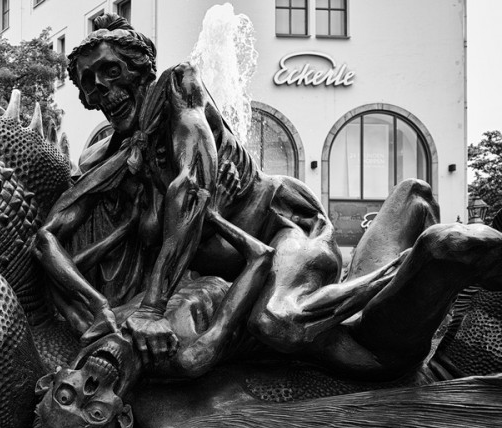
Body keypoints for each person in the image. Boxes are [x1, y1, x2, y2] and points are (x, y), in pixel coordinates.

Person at [36, 13, 502, 381]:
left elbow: (191, 192)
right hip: (245, 264)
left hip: (285, 229)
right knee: (322, 334)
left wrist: (154, 309)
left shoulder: (178, 98)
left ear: (140, 71)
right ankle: (409, 207)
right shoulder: (111, 153)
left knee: (278, 320)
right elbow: (50, 235)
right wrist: (96, 311)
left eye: (110, 71)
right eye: (87, 82)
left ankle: (423, 257)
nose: (100, 89)